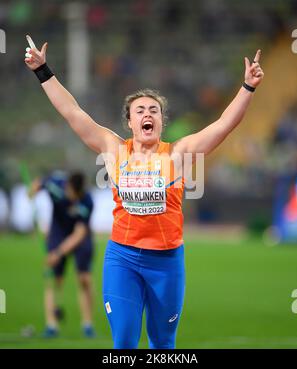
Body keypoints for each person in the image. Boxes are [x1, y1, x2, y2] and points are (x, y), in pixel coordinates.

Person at [24, 38, 264, 348]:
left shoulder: (178, 154)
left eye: (154, 110)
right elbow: (72, 112)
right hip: (122, 259)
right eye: (140, 110)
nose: (147, 114)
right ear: (130, 121)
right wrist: (42, 69)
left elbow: (223, 126)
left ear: (162, 121)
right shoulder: (113, 149)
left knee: (163, 344)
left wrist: (247, 87)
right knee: (124, 342)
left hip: (166, 263)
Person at [30, 170, 96, 338]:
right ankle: (52, 325)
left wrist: (58, 253)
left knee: (84, 279)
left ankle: (88, 325)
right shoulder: (55, 185)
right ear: (67, 187)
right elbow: (37, 185)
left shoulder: (87, 200)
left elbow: (79, 234)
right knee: (53, 279)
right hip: (58, 232)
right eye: (73, 194)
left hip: (80, 237)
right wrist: (32, 194)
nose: (75, 198)